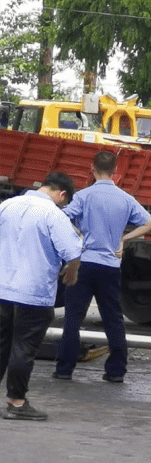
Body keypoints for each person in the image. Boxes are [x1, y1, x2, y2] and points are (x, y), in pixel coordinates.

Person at [55, 150, 151, 383]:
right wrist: (124, 239)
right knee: (113, 319)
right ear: (115, 172)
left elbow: (61, 218)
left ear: (92, 168)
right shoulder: (125, 199)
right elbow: (150, 223)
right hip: (110, 266)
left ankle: (64, 369)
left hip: (84, 263)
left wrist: (78, 233)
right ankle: (116, 371)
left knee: (72, 318)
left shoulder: (84, 196)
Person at [0, 172, 81, 421]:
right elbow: (72, 251)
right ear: (62, 194)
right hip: (33, 294)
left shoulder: (6, 205)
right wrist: (72, 274)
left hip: (1, 289)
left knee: (1, 345)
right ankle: (16, 402)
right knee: (23, 348)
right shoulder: (53, 214)